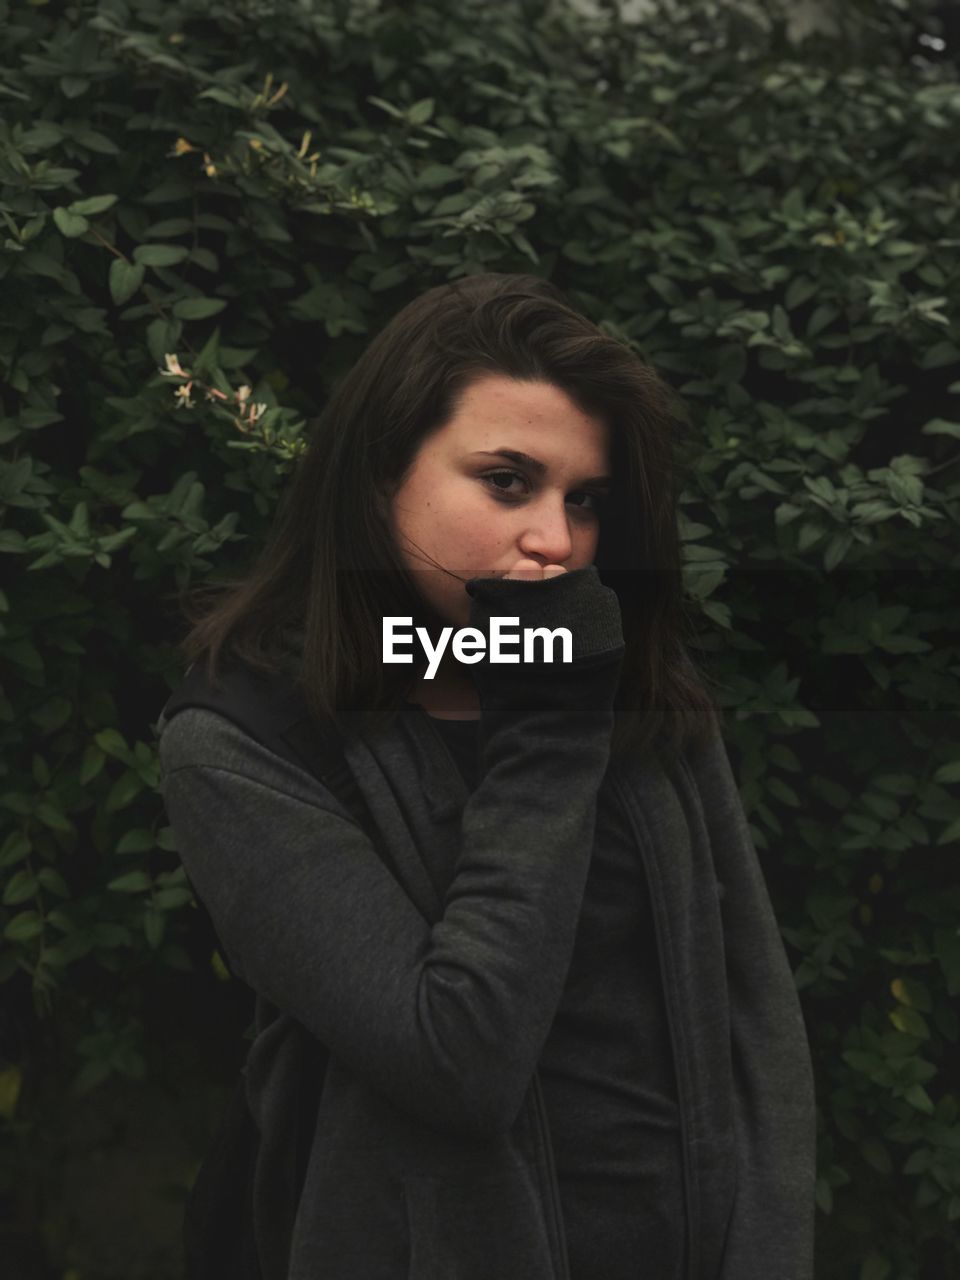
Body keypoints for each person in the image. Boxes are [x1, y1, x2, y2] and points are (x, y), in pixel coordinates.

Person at [155, 272, 816, 1280]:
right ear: (382, 475)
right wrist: (546, 727)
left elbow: (756, 1014)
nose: (555, 539)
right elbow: (457, 1054)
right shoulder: (247, 738)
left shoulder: (627, 680)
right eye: (508, 481)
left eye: (584, 499)